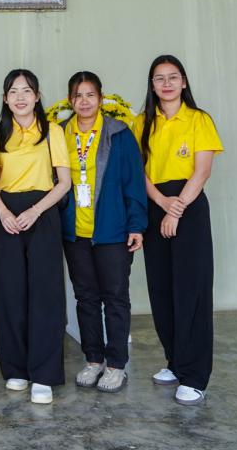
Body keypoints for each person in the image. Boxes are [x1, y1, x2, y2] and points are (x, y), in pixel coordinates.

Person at [132, 55, 223, 406]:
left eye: (173, 77)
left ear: (184, 82)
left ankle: (195, 376)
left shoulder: (199, 119)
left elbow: (202, 171)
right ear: (152, 85)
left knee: (192, 291)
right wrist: (160, 202)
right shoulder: (142, 122)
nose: (167, 84)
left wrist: (177, 208)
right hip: (156, 204)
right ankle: (175, 361)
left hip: (189, 205)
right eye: (159, 78)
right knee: (162, 290)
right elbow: (139, 172)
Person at [58, 71, 146, 394]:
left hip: (112, 231)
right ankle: (93, 359)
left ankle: (117, 364)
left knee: (116, 297)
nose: (84, 101)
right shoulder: (60, 134)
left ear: (100, 98)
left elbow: (134, 181)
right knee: (85, 298)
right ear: (70, 100)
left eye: (90, 95)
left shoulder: (119, 133)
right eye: (78, 95)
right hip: (75, 233)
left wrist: (136, 225)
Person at [0, 68, 69, 405]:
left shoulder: (52, 131)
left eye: (26, 90)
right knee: (10, 293)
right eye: (13, 91)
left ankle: (44, 375)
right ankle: (16, 368)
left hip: (43, 212)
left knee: (45, 295)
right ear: (5, 99)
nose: (20, 97)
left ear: (37, 96)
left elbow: (64, 182)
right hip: (6, 214)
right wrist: (3, 212)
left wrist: (36, 210)